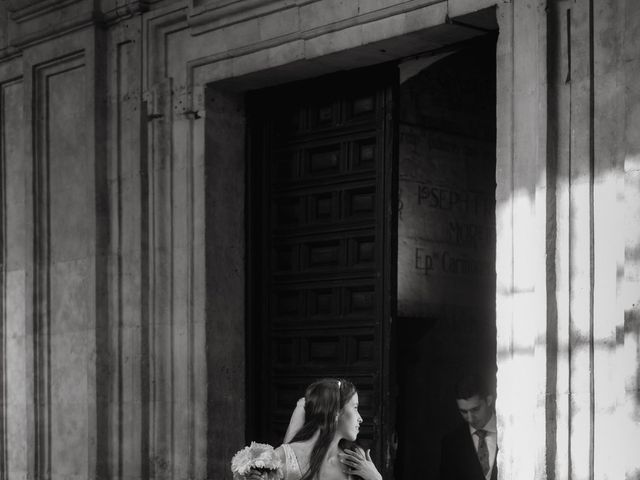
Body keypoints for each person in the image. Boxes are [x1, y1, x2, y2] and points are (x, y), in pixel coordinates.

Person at [248, 378, 383, 480]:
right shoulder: (285, 457)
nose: (360, 418)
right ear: (335, 411)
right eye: (355, 407)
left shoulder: (354, 459)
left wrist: (375, 478)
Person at [440, 373, 497, 480]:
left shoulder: (510, 433)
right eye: (464, 412)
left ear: (489, 400)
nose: (470, 418)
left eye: (475, 409)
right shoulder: (451, 443)